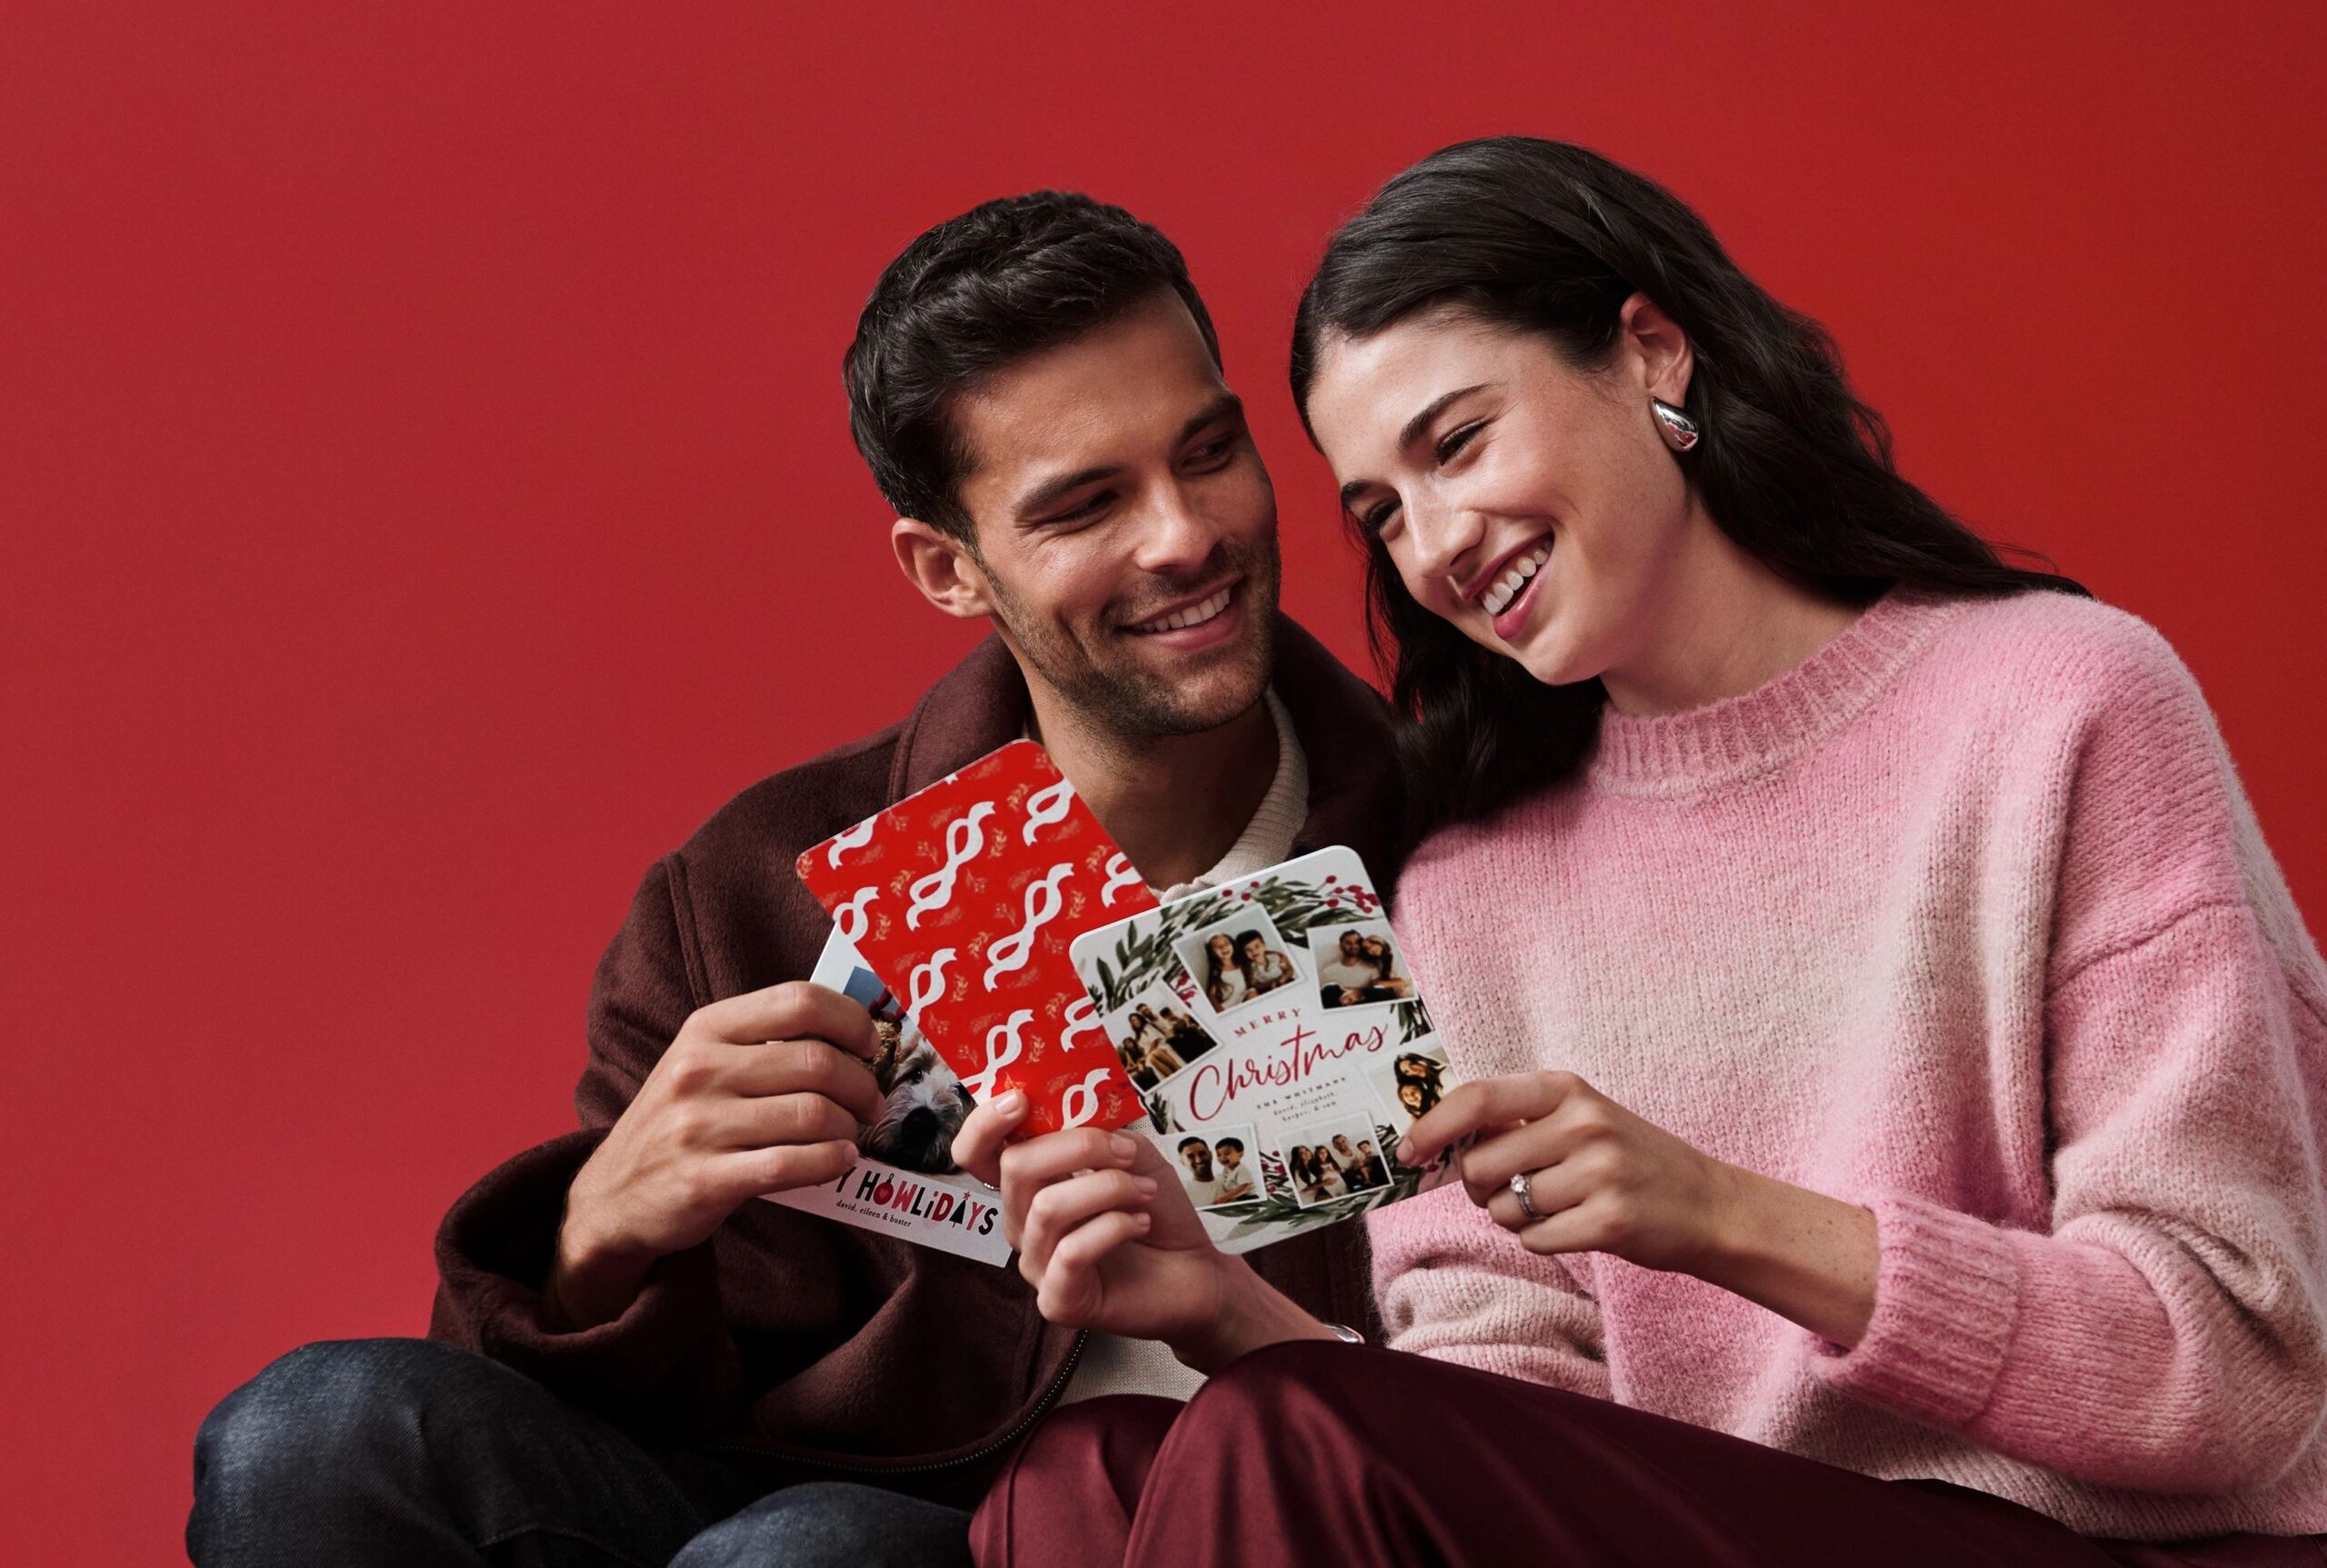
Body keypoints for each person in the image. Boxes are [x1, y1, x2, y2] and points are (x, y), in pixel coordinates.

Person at [953, 138, 2327, 1565]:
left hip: (2103, 1539)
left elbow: (2230, 1366)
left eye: (1458, 443)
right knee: (1080, 1479)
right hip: (1693, 1529)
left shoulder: (2063, 703)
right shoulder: (1473, 879)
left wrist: (1721, 1214)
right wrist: (1224, 1303)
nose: (1431, 549)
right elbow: (1474, 1436)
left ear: (1652, 352)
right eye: (1382, 514)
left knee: (1277, 1431)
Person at [187, 191, 1408, 1567]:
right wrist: (599, 1234)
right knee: (305, 1429)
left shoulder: (1456, 837)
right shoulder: (751, 886)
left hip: (1223, 1517)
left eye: (1210, 451)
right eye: (1086, 505)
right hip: (815, 1501)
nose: (1183, 535)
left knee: (802, 1554)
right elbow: (590, 1422)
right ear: (949, 569)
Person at [1234, 930, 1298, 996]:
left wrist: (1282, 980)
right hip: (1266, 991)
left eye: (1257, 946)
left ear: (1264, 945)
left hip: (1285, 982)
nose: (1254, 951)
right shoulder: (1248, 968)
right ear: (1243, 952)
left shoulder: (1276, 957)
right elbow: (1252, 985)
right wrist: (1269, 986)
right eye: (1248, 950)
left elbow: (1289, 970)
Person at [1199, 932, 1250, 1011]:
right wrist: (1221, 1011)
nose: (1223, 947)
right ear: (1213, 952)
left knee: (1252, 992)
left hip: (1244, 997)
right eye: (1217, 946)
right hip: (1229, 1006)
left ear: (1233, 945)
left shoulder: (1242, 963)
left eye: (1226, 943)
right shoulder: (1217, 971)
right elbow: (1211, 995)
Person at [1174, 1138, 1222, 1208]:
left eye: (1202, 1154)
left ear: (1211, 1154)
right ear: (1182, 1161)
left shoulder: (1227, 1179)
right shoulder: (1183, 1191)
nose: (1198, 1160)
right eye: (1191, 1156)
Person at [1212, 1137, 1258, 1203]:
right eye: (1219, 1155)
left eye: (1227, 1153)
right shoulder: (1226, 1169)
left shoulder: (1241, 1169)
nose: (1222, 1157)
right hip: (1237, 1197)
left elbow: (1244, 1187)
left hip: (1248, 1198)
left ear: (1240, 1154)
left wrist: (1225, 1197)